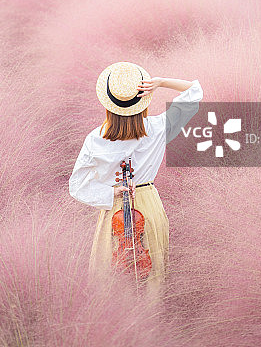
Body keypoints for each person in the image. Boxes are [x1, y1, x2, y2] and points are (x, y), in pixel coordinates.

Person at [69, 61, 203, 300]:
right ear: (143, 102)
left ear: (109, 105)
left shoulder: (95, 139)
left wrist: (111, 192)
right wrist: (160, 82)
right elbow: (194, 91)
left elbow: (77, 186)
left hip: (114, 208)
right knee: (151, 274)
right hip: (148, 205)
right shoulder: (158, 127)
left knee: (109, 274)